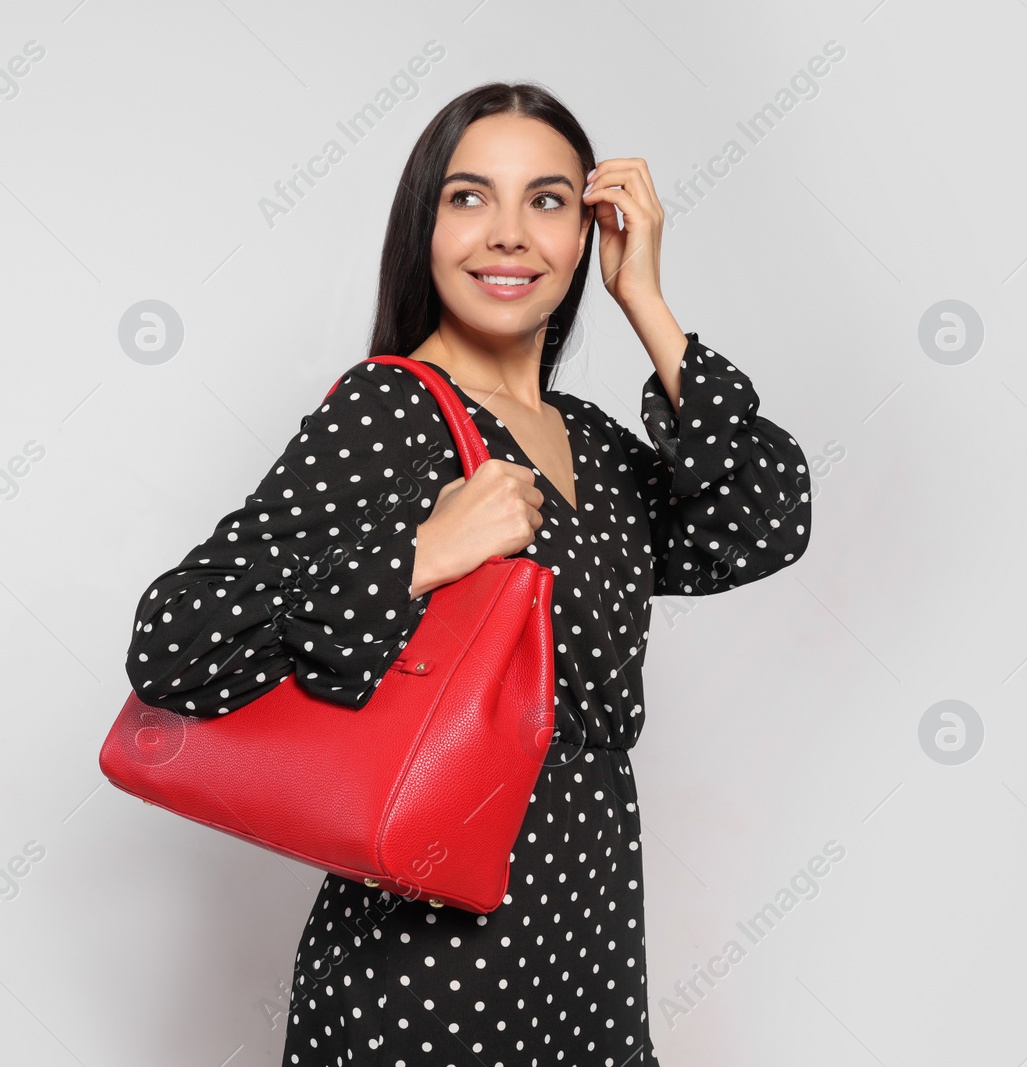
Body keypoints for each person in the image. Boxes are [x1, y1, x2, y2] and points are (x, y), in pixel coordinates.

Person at [124, 81, 811, 1066]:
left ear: (588, 230)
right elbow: (175, 644)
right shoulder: (390, 410)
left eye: (545, 200)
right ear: (425, 226)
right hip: (424, 987)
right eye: (467, 197)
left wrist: (648, 304)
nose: (507, 233)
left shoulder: (595, 444)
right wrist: (421, 556)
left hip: (588, 969)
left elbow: (764, 521)